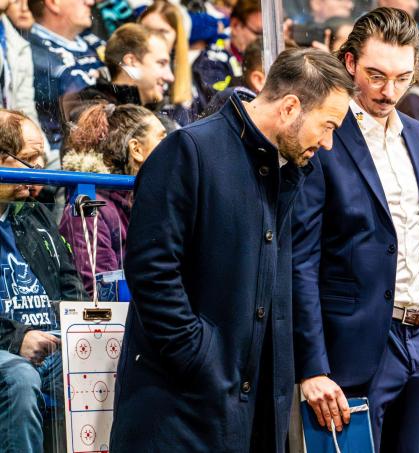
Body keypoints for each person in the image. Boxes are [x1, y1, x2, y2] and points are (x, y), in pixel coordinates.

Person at [110, 47, 354, 452]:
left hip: (247, 412)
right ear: (291, 107)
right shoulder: (187, 150)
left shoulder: (287, 171)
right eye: (327, 126)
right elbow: (152, 272)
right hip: (178, 412)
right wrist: (202, 357)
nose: (328, 144)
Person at [291, 8, 419, 452]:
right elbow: (301, 260)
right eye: (376, 75)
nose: (388, 91)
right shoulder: (322, 132)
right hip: (350, 351)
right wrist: (312, 365)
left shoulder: (416, 133)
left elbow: (418, 237)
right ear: (350, 62)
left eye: (402, 78)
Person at [0, 109, 85, 453]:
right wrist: (17, 338)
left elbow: (70, 283)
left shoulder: (33, 214)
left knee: (114, 362)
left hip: (51, 348)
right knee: (20, 379)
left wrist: (79, 327)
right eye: (30, 160)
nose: (38, 177)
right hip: (10, 350)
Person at [59, 103, 166, 293]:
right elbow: (100, 291)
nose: (170, 148)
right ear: (136, 150)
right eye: (162, 139)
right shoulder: (89, 206)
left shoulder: (144, 200)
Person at [28, 0, 105, 153]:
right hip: (62, 164)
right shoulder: (31, 53)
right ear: (53, 3)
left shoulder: (96, 44)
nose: (90, 2)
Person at [62, 24, 175, 126]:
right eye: (161, 63)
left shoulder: (159, 118)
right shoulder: (92, 114)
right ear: (131, 61)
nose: (170, 77)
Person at [192, 0, 262, 110]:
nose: (263, 39)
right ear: (235, 25)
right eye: (258, 33)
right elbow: (218, 105)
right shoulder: (211, 60)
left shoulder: (252, 56)